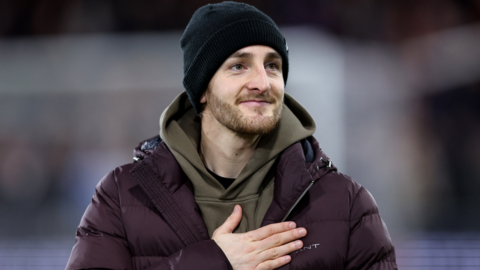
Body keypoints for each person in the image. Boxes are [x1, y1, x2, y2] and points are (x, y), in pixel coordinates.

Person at [66, 2, 397, 269]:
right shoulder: (123, 196)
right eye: (239, 66)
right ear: (203, 89)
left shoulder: (348, 204)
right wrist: (213, 263)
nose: (262, 82)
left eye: (272, 66)